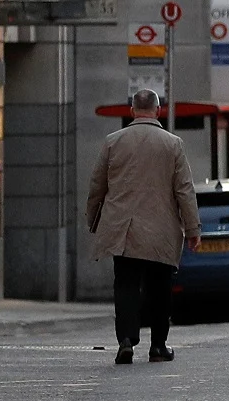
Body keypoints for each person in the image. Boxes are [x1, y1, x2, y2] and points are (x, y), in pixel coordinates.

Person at [84, 88, 200, 365]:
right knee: (159, 288)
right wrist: (193, 228)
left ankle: (126, 339)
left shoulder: (113, 142)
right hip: (161, 229)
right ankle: (158, 347)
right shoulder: (173, 144)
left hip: (122, 228)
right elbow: (184, 190)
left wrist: (93, 221)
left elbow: (97, 187)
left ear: (133, 111)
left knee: (125, 285)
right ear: (158, 111)